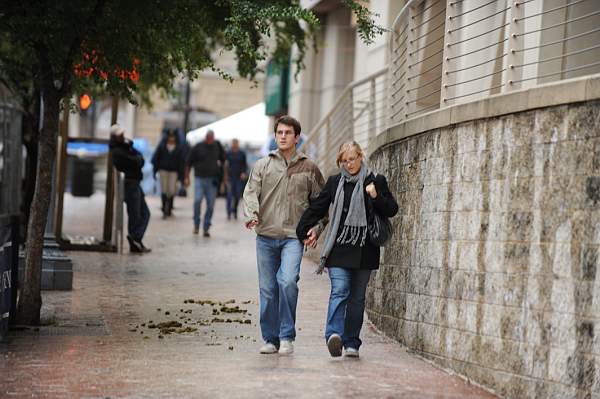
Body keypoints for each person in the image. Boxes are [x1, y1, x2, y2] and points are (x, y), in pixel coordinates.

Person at [296, 141, 398, 358]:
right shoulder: (335, 182)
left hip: (365, 249)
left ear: (360, 156)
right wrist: (303, 228)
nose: (349, 164)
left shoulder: (375, 180)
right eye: (344, 160)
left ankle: (352, 342)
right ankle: (333, 335)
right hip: (340, 247)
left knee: (357, 298)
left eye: (352, 159)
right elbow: (318, 207)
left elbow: (391, 209)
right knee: (340, 290)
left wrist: (375, 196)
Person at [243, 115, 326, 355]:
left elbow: (321, 205)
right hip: (266, 236)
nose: (282, 136)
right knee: (268, 290)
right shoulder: (263, 165)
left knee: (288, 281)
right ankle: (270, 339)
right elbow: (250, 193)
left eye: (287, 133)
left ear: (296, 137)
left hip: (293, 237)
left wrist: (317, 229)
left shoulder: (309, 168)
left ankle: (286, 335)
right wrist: (252, 214)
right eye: (279, 132)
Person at [109, 124, 151, 253]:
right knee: (135, 213)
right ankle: (134, 238)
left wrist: (132, 150)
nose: (122, 136)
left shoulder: (127, 147)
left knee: (144, 213)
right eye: (120, 135)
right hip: (129, 184)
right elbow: (135, 162)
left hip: (135, 182)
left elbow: (141, 160)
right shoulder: (117, 151)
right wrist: (136, 159)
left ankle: (136, 238)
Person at [184, 130, 225, 236]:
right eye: (209, 138)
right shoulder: (198, 147)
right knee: (197, 201)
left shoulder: (217, 146)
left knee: (211, 205)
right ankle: (196, 224)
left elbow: (224, 161)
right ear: (206, 138)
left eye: (212, 138)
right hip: (199, 178)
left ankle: (206, 226)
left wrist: (224, 177)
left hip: (212, 180)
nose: (211, 140)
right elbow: (188, 162)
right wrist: (187, 177)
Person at [151, 130, 185, 218]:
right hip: (163, 170)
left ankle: (169, 208)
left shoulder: (179, 148)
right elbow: (155, 159)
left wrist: (181, 175)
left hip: (174, 171)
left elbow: (181, 162)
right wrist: (155, 171)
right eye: (170, 137)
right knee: (164, 190)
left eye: (173, 137)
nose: (171, 138)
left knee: (171, 190)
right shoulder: (162, 146)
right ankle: (164, 208)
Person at [225, 138, 247, 220]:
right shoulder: (228, 153)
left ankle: (235, 210)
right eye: (233, 143)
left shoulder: (242, 153)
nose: (234, 144)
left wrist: (243, 173)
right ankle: (228, 212)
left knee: (237, 195)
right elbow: (225, 165)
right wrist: (225, 176)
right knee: (229, 196)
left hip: (238, 178)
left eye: (236, 143)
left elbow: (244, 165)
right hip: (230, 177)